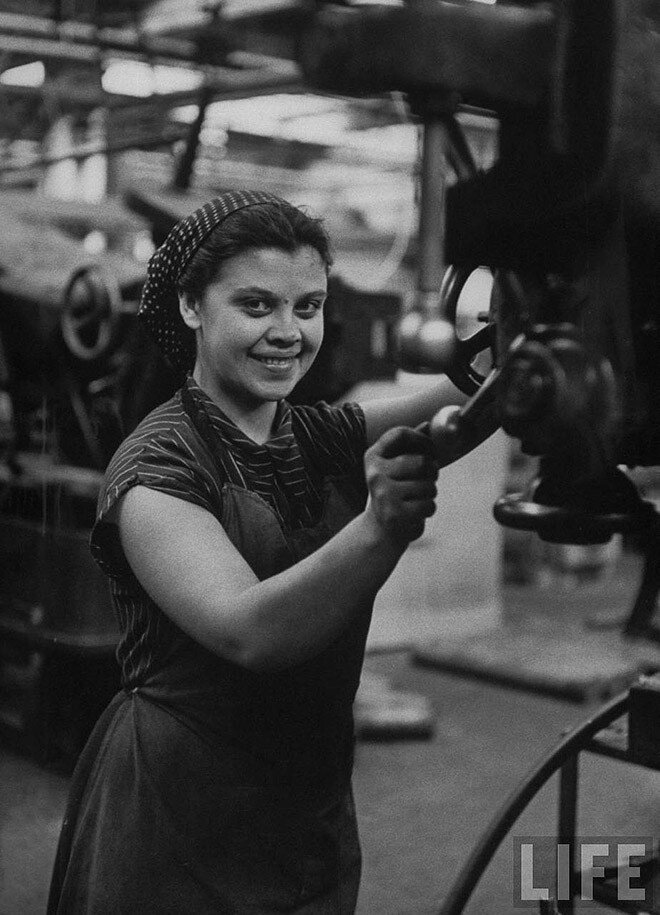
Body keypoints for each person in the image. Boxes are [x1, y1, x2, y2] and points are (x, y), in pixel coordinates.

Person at [48, 189, 464, 914]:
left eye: (308, 307)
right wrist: (379, 527)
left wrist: (514, 360)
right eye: (257, 305)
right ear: (191, 306)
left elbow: (454, 416)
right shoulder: (155, 468)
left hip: (306, 803)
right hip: (180, 814)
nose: (288, 332)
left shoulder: (312, 434)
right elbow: (251, 631)